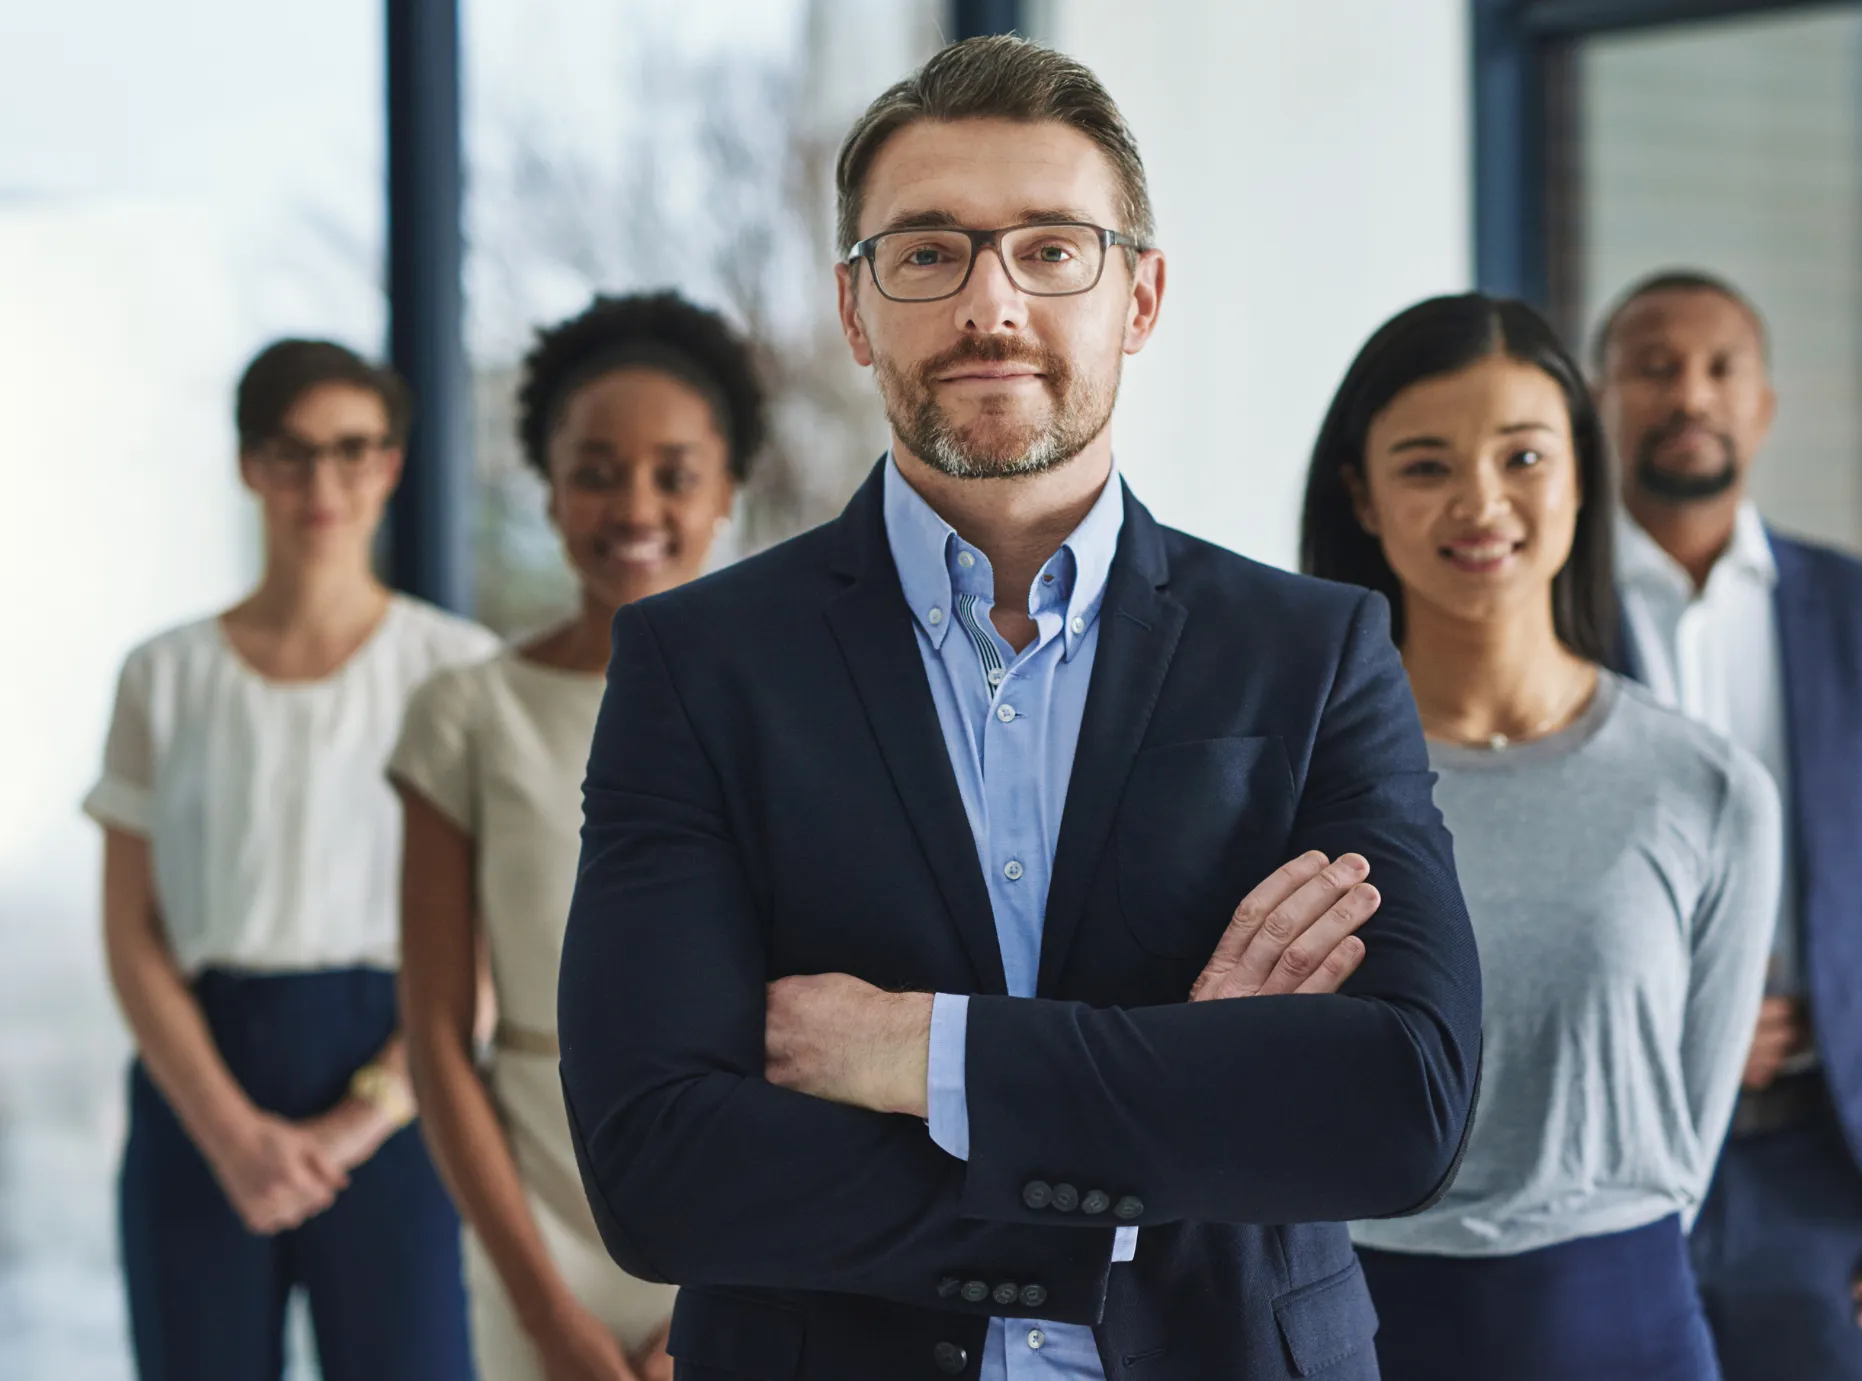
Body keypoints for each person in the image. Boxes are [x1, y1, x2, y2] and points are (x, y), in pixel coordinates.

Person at [556, 35, 1482, 1381]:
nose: (991, 305)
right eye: (927, 252)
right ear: (855, 309)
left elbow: (1399, 1106)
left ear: (1140, 295)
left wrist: (922, 1050)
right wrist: (1182, 1099)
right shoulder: (698, 666)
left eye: (1052, 249)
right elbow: (659, 1169)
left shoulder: (1312, 651)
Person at [1297, 293, 1781, 1379]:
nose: (1482, 502)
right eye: (1426, 466)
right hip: (1346, 1327)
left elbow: (1686, 1140)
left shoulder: (1707, 787)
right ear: (1362, 497)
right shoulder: (1289, 782)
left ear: (1580, 475)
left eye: (1523, 456)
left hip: (1624, 1325)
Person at [1593, 269, 1862, 1380]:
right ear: (1600, 400)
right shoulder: (1547, 611)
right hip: (1604, 1172)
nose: (1690, 393)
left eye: (1720, 368)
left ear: (1763, 405)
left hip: (1826, 1179)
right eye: (1653, 366)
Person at [85, 339, 496, 1380]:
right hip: (201, 1088)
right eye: (292, 453)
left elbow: (490, 935)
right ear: (248, 465)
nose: (323, 482)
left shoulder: (454, 671)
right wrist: (229, 1130)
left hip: (407, 1095)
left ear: (392, 465)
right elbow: (133, 929)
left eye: (352, 451)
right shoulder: (162, 677)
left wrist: (364, 1121)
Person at [392, 291, 763, 1381]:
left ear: (726, 489)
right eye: (595, 471)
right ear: (550, 493)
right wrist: (547, 1314)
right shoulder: (464, 714)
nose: (631, 504)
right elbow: (436, 1040)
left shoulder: (791, 708)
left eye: (673, 472)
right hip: (533, 1216)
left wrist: (718, 1288)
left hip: (746, 1208)